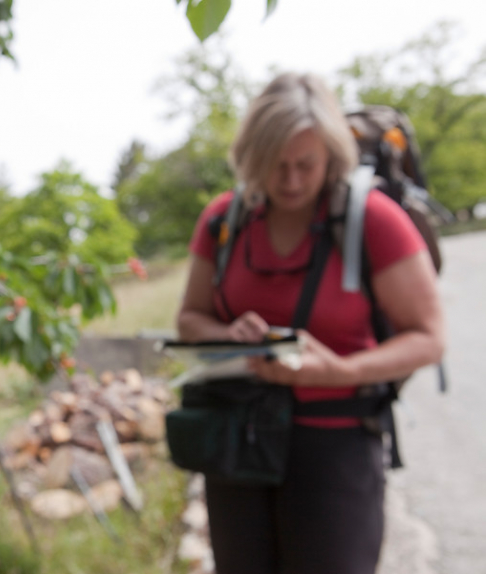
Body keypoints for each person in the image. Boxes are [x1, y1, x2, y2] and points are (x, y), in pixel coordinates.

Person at [175, 72, 445, 574]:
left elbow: (429, 338)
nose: (292, 181)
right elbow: (190, 319)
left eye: (307, 165)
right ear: (251, 159)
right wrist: (225, 335)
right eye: (277, 166)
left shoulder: (374, 220)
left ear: (331, 155)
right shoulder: (222, 221)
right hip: (239, 437)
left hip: (336, 442)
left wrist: (339, 371)